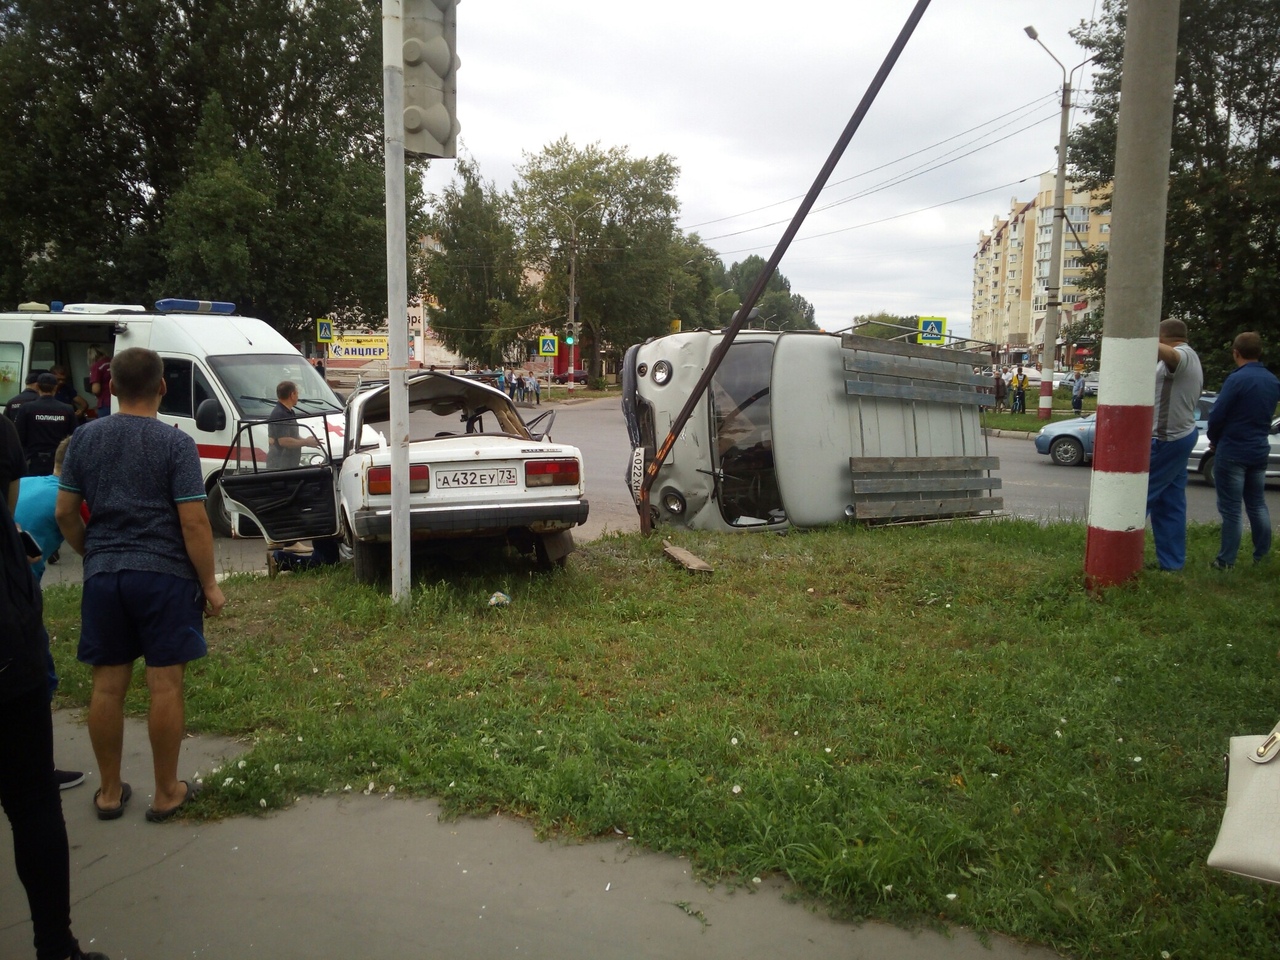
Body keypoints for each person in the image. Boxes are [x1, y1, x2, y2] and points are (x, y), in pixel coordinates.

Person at [55, 347, 226, 823]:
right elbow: (194, 522)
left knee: (107, 687)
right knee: (164, 685)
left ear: (111, 388)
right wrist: (210, 584)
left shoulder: (84, 438)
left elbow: (65, 513)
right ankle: (166, 792)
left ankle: (110, 792)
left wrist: (94, 553)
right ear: (162, 387)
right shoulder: (176, 444)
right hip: (164, 578)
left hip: (105, 575)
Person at [15, 437, 86, 790]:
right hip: (17, 595)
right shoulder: (70, 499)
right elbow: (92, 546)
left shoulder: (27, 482)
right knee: (41, 677)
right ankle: (39, 769)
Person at [1205, 331, 1280, 570]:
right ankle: (1262, 555)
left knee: (1231, 509)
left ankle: (1226, 560)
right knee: (1257, 504)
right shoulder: (1272, 380)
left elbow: (1217, 415)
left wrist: (1214, 439)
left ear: (1235, 352)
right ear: (1259, 353)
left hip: (1233, 448)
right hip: (1259, 448)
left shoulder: (1236, 380)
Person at [1147, 318, 1204, 571]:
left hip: (1167, 439)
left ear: (1162, 337)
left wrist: (1144, 336)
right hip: (1179, 437)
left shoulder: (1182, 355)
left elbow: (1171, 355)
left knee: (1137, 497)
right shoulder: (1189, 357)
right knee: (1169, 504)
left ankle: (1118, 556)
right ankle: (1171, 564)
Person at [16, 373, 77, 476]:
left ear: (37, 386)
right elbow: (74, 437)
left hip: (32, 461)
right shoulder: (67, 409)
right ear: (56, 387)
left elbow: (19, 437)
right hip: (57, 462)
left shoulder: (26, 408)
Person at [266, 380, 322, 471]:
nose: (298, 397)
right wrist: (305, 442)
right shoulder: (280, 414)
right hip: (280, 466)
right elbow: (283, 441)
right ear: (292, 395)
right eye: (297, 394)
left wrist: (308, 441)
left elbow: (292, 436)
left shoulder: (289, 412)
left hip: (289, 464)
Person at [87, 345, 111, 418]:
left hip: (105, 403)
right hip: (119, 401)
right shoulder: (114, 362)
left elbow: (96, 389)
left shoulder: (97, 366)